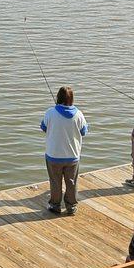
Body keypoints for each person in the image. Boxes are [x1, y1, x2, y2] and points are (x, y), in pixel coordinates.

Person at [39, 85, 88, 215]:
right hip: (72, 156)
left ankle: (55, 205)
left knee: (55, 182)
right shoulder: (79, 114)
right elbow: (84, 132)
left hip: (53, 155)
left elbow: (43, 127)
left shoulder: (50, 112)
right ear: (72, 99)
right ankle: (71, 206)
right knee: (71, 182)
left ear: (58, 97)